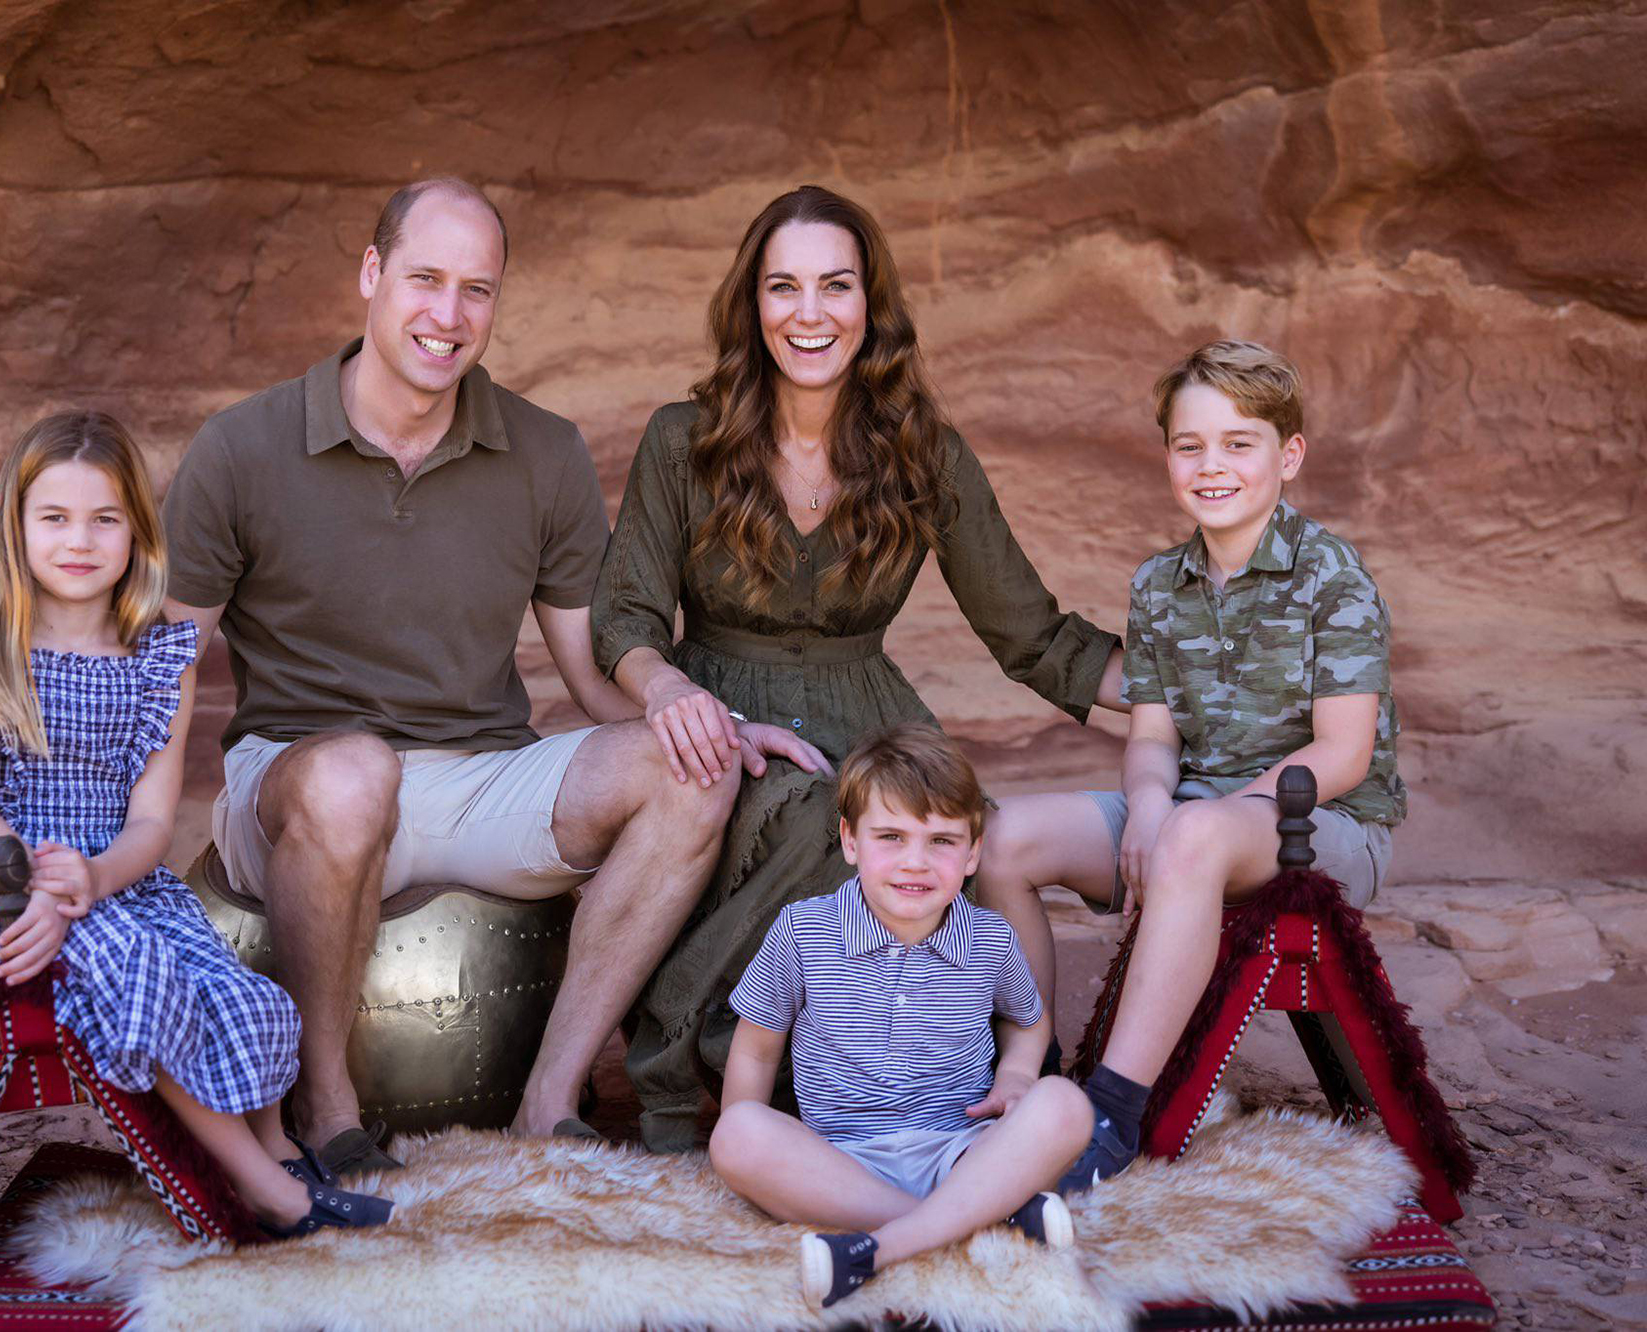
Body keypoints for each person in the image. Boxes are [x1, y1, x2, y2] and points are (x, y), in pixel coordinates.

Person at [160, 178, 817, 1171]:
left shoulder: (539, 453)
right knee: (352, 777)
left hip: (473, 781)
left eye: (477, 289)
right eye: (425, 279)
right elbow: (160, 676)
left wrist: (697, 718)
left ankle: (546, 1103)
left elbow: (595, 675)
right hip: (295, 789)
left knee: (692, 772)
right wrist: (119, 845)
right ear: (372, 276)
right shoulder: (241, 448)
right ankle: (328, 1116)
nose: (448, 314)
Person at [592, 184, 1126, 1151]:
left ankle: (952, 1098)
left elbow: (1031, 634)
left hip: (871, 710)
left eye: (835, 287)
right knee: (820, 814)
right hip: (724, 719)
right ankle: (677, 1064)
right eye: (783, 288)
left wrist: (1191, 696)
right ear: (751, 306)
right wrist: (669, 691)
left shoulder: (924, 455)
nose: (809, 314)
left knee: (933, 835)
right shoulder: (684, 440)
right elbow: (624, 613)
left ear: (870, 306)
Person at [0, 412, 385, 1239]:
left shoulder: (160, 659)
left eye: (105, 519)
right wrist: (21, 870)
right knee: (122, 961)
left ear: (136, 531)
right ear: (15, 526)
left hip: (122, 882)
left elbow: (150, 821)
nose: (79, 540)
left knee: (242, 990)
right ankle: (266, 1192)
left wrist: (96, 878)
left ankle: (277, 1152)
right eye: (54, 518)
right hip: (3, 887)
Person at [974, 339, 1406, 1192]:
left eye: (1238, 444)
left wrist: (1191, 827)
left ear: (1288, 456)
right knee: (1001, 840)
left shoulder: (1333, 579)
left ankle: (1113, 1113)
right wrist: (1146, 808)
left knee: (1196, 835)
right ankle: (1032, 1068)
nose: (1212, 466)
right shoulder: (1158, 586)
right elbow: (1154, 737)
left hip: (1317, 827)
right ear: (1168, 454)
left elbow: (1344, 755)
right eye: (1189, 445)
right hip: (1192, 817)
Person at [708, 725, 1092, 1310]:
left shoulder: (990, 941)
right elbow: (758, 1048)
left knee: (1064, 1104)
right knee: (736, 1133)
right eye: (891, 836)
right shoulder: (803, 931)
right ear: (851, 841)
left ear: (973, 853)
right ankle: (980, 1228)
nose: (916, 862)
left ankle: (877, 1251)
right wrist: (749, 1152)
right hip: (839, 1163)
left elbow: (1028, 1021)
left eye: (941, 841)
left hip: (961, 1153)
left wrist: (1016, 1079)